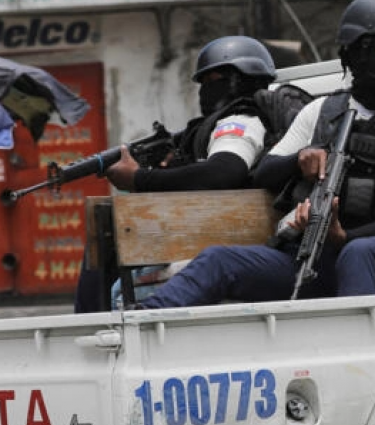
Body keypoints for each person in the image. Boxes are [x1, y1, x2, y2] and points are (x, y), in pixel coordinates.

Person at [132, 0, 375, 308]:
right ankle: (142, 323)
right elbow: (264, 174)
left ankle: (353, 349)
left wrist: (344, 237)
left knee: (360, 251)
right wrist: (299, 160)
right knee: (217, 260)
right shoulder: (321, 111)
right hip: (309, 257)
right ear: (356, 54)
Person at [73, 35, 276, 312]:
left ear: (240, 79)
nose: (205, 90)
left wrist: (139, 179)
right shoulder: (212, 126)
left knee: (113, 244)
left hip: (223, 239)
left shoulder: (241, 120)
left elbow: (224, 171)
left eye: (213, 80)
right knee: (106, 228)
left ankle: (90, 323)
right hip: (201, 233)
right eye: (202, 83)